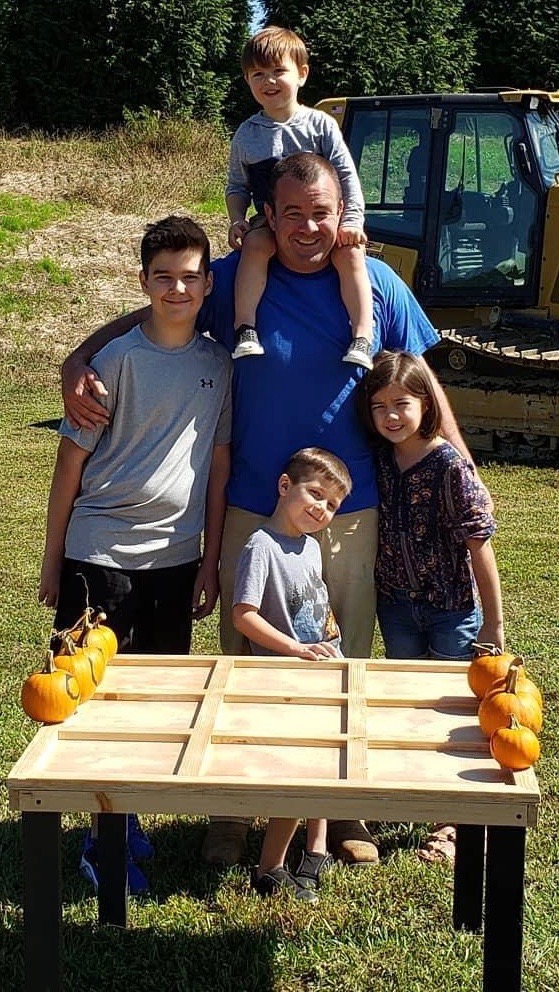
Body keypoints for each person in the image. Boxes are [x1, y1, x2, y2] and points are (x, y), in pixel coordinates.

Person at [61, 152, 481, 869]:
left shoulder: (375, 282)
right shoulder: (231, 283)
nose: (308, 228)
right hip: (252, 507)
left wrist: (461, 462)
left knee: (342, 659)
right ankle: (233, 809)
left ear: (338, 212)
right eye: (292, 213)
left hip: (352, 513)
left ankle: (340, 804)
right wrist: (77, 362)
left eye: (320, 212)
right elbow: (151, 310)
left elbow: (421, 377)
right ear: (268, 217)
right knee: (246, 661)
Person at [40, 215, 232, 892]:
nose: (176, 288)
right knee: (93, 699)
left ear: (208, 284)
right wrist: (53, 557)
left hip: (177, 562)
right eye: (163, 277)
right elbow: (70, 465)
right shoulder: (112, 362)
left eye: (189, 277)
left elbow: (216, 464)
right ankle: (100, 841)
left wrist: (208, 560)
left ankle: (126, 819)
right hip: (101, 556)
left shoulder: (218, 364)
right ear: (142, 282)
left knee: (153, 699)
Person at [360, 350, 503, 864]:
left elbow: (478, 544)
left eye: (402, 403)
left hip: (450, 608)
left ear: (426, 402)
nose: (392, 416)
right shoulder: (379, 459)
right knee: (407, 706)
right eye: (379, 407)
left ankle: (452, 822)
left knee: (454, 713)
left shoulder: (448, 464)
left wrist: (493, 620)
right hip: (396, 606)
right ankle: (408, 795)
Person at [233, 447, 351, 903]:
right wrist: (295, 650)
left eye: (331, 505)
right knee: (300, 769)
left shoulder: (310, 545)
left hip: (322, 669)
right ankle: (270, 866)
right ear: (286, 487)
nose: (321, 509)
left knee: (324, 761)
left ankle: (316, 846)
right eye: (315, 494)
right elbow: (244, 616)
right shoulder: (261, 546)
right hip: (288, 676)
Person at [226, 25, 374, 370]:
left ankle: (363, 335)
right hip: (271, 220)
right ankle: (245, 328)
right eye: (258, 74)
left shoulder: (320, 125)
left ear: (302, 74)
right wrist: (237, 220)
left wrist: (351, 221)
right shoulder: (247, 134)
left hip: (322, 221)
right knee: (256, 246)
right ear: (248, 81)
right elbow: (237, 187)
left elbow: (346, 177)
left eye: (279, 71)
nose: (269, 81)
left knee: (351, 253)